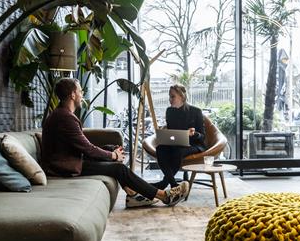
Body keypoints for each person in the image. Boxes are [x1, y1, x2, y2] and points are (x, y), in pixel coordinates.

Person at [41, 78, 189, 208]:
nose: (82, 94)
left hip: (71, 158)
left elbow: (80, 145)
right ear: (73, 95)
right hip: (65, 166)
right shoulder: (65, 118)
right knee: (119, 169)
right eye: (80, 91)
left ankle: (132, 195)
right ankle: (164, 196)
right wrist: (112, 156)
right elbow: (87, 148)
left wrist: (111, 152)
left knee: (111, 149)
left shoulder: (62, 114)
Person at [152, 84, 206, 190]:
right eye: (169, 96)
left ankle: (164, 183)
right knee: (160, 149)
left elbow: (202, 136)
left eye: (173, 96)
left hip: (194, 145)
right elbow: (172, 132)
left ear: (182, 96)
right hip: (176, 143)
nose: (170, 99)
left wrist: (194, 134)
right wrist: (166, 133)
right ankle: (173, 184)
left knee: (177, 151)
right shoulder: (169, 111)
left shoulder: (196, 111)